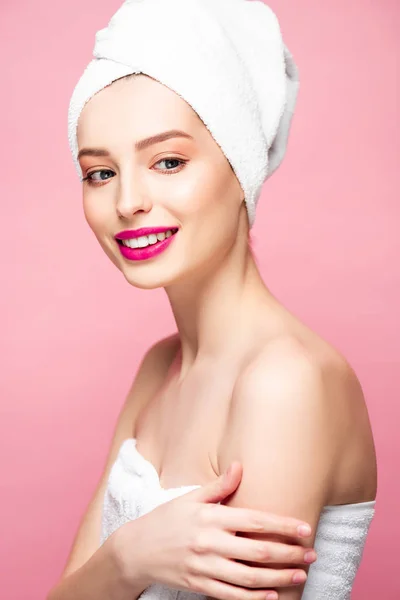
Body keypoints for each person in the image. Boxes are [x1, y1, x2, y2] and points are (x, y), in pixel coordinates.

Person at [48, 1, 377, 599]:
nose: (128, 202)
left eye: (167, 161)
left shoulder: (285, 383)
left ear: (241, 166)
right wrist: (131, 556)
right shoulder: (160, 366)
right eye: (100, 172)